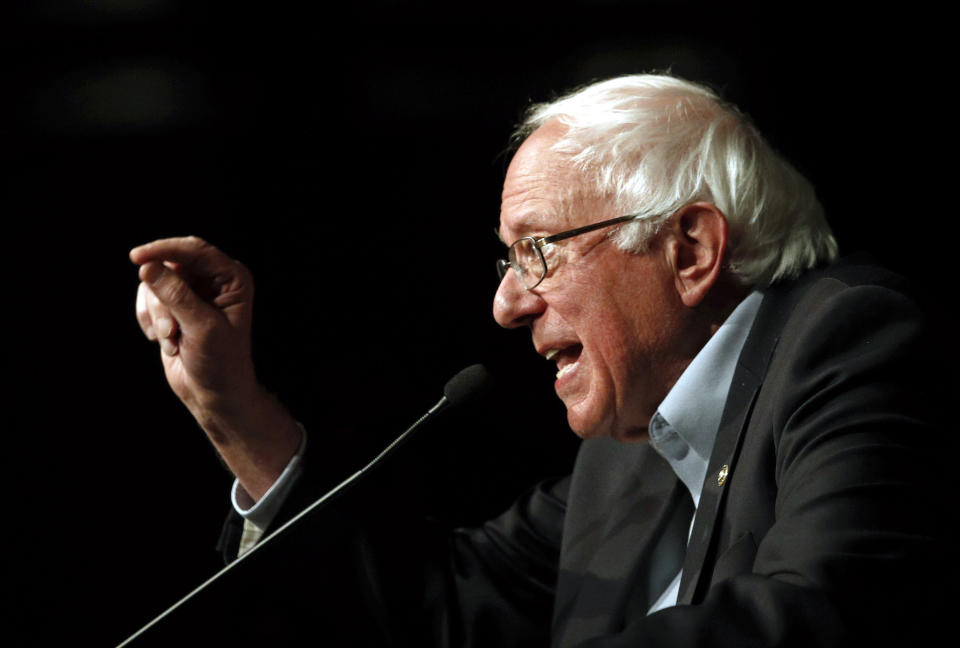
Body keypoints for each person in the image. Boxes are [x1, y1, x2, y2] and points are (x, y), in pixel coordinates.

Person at [130, 74, 948, 646]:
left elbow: (833, 611)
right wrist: (229, 405)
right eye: (508, 260)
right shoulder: (625, 458)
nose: (508, 304)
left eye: (538, 251)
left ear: (690, 248)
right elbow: (437, 614)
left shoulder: (846, 340)